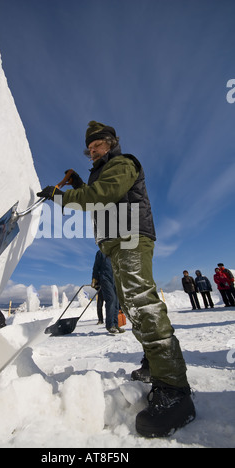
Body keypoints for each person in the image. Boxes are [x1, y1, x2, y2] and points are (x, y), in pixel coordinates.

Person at [37, 120, 195, 438]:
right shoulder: (100, 171)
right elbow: (96, 194)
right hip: (114, 243)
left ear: (111, 142)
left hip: (132, 235)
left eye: (99, 146)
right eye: (90, 149)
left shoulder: (124, 163)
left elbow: (103, 194)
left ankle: (175, 389)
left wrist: (60, 197)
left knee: (141, 302)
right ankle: (154, 363)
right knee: (131, 305)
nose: (93, 151)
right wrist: (81, 183)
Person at [91, 250, 124, 333]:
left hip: (116, 279)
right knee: (111, 298)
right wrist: (94, 279)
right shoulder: (100, 253)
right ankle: (110, 325)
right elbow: (96, 267)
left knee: (116, 301)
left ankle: (116, 324)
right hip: (105, 278)